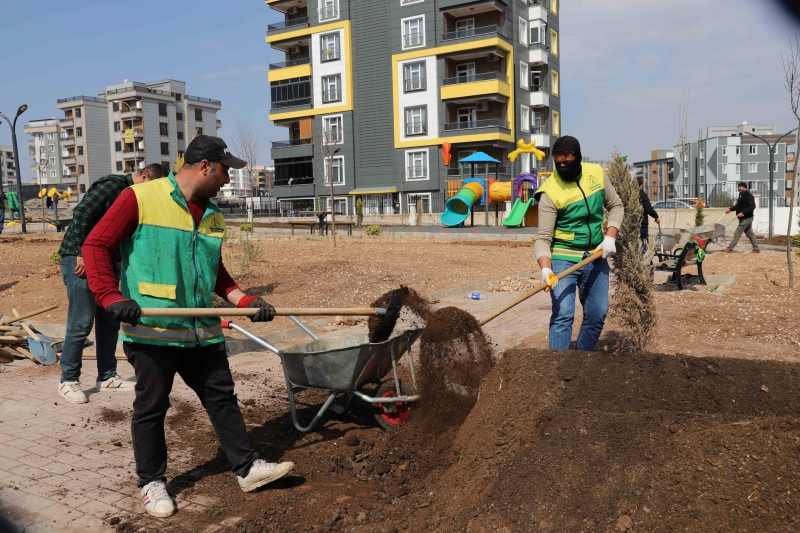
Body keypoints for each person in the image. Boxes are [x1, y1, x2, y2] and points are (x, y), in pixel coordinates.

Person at [83, 135, 294, 518]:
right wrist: (111, 299)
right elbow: (95, 245)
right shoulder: (141, 198)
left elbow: (216, 273)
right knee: (152, 406)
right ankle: (151, 482)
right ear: (205, 166)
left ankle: (246, 468)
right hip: (154, 328)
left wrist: (245, 302)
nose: (228, 178)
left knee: (221, 397)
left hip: (201, 328)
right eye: (226, 169)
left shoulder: (212, 214)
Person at [57, 164, 167, 404]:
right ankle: (68, 380)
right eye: (152, 188)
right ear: (145, 177)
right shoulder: (114, 186)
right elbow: (83, 213)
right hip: (81, 259)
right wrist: (81, 252)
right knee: (81, 322)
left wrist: (115, 263)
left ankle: (107, 376)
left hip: (104, 262)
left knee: (109, 321)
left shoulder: (132, 195)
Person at [533, 136, 624, 351]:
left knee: (597, 314)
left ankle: (581, 364)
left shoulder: (597, 174)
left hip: (595, 254)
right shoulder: (549, 192)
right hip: (563, 258)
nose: (563, 166)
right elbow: (543, 239)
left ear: (578, 157)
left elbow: (617, 206)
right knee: (563, 314)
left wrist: (610, 236)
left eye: (567, 161)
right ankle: (558, 367)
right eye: (558, 163)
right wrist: (546, 269)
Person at [725, 182, 760, 253]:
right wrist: (730, 209)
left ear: (745, 187)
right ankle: (756, 249)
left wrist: (743, 212)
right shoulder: (741, 196)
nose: (739, 188)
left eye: (740, 187)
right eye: (738, 187)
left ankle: (730, 248)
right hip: (744, 218)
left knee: (737, 233)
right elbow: (738, 206)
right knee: (750, 233)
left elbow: (752, 206)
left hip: (747, 218)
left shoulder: (749, 196)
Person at [638, 177, 659, 253]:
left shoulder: (630, 195)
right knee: (644, 243)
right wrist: (656, 216)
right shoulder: (643, 195)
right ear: (640, 185)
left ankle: (635, 260)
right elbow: (649, 209)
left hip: (632, 224)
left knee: (633, 245)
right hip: (642, 224)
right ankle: (643, 260)